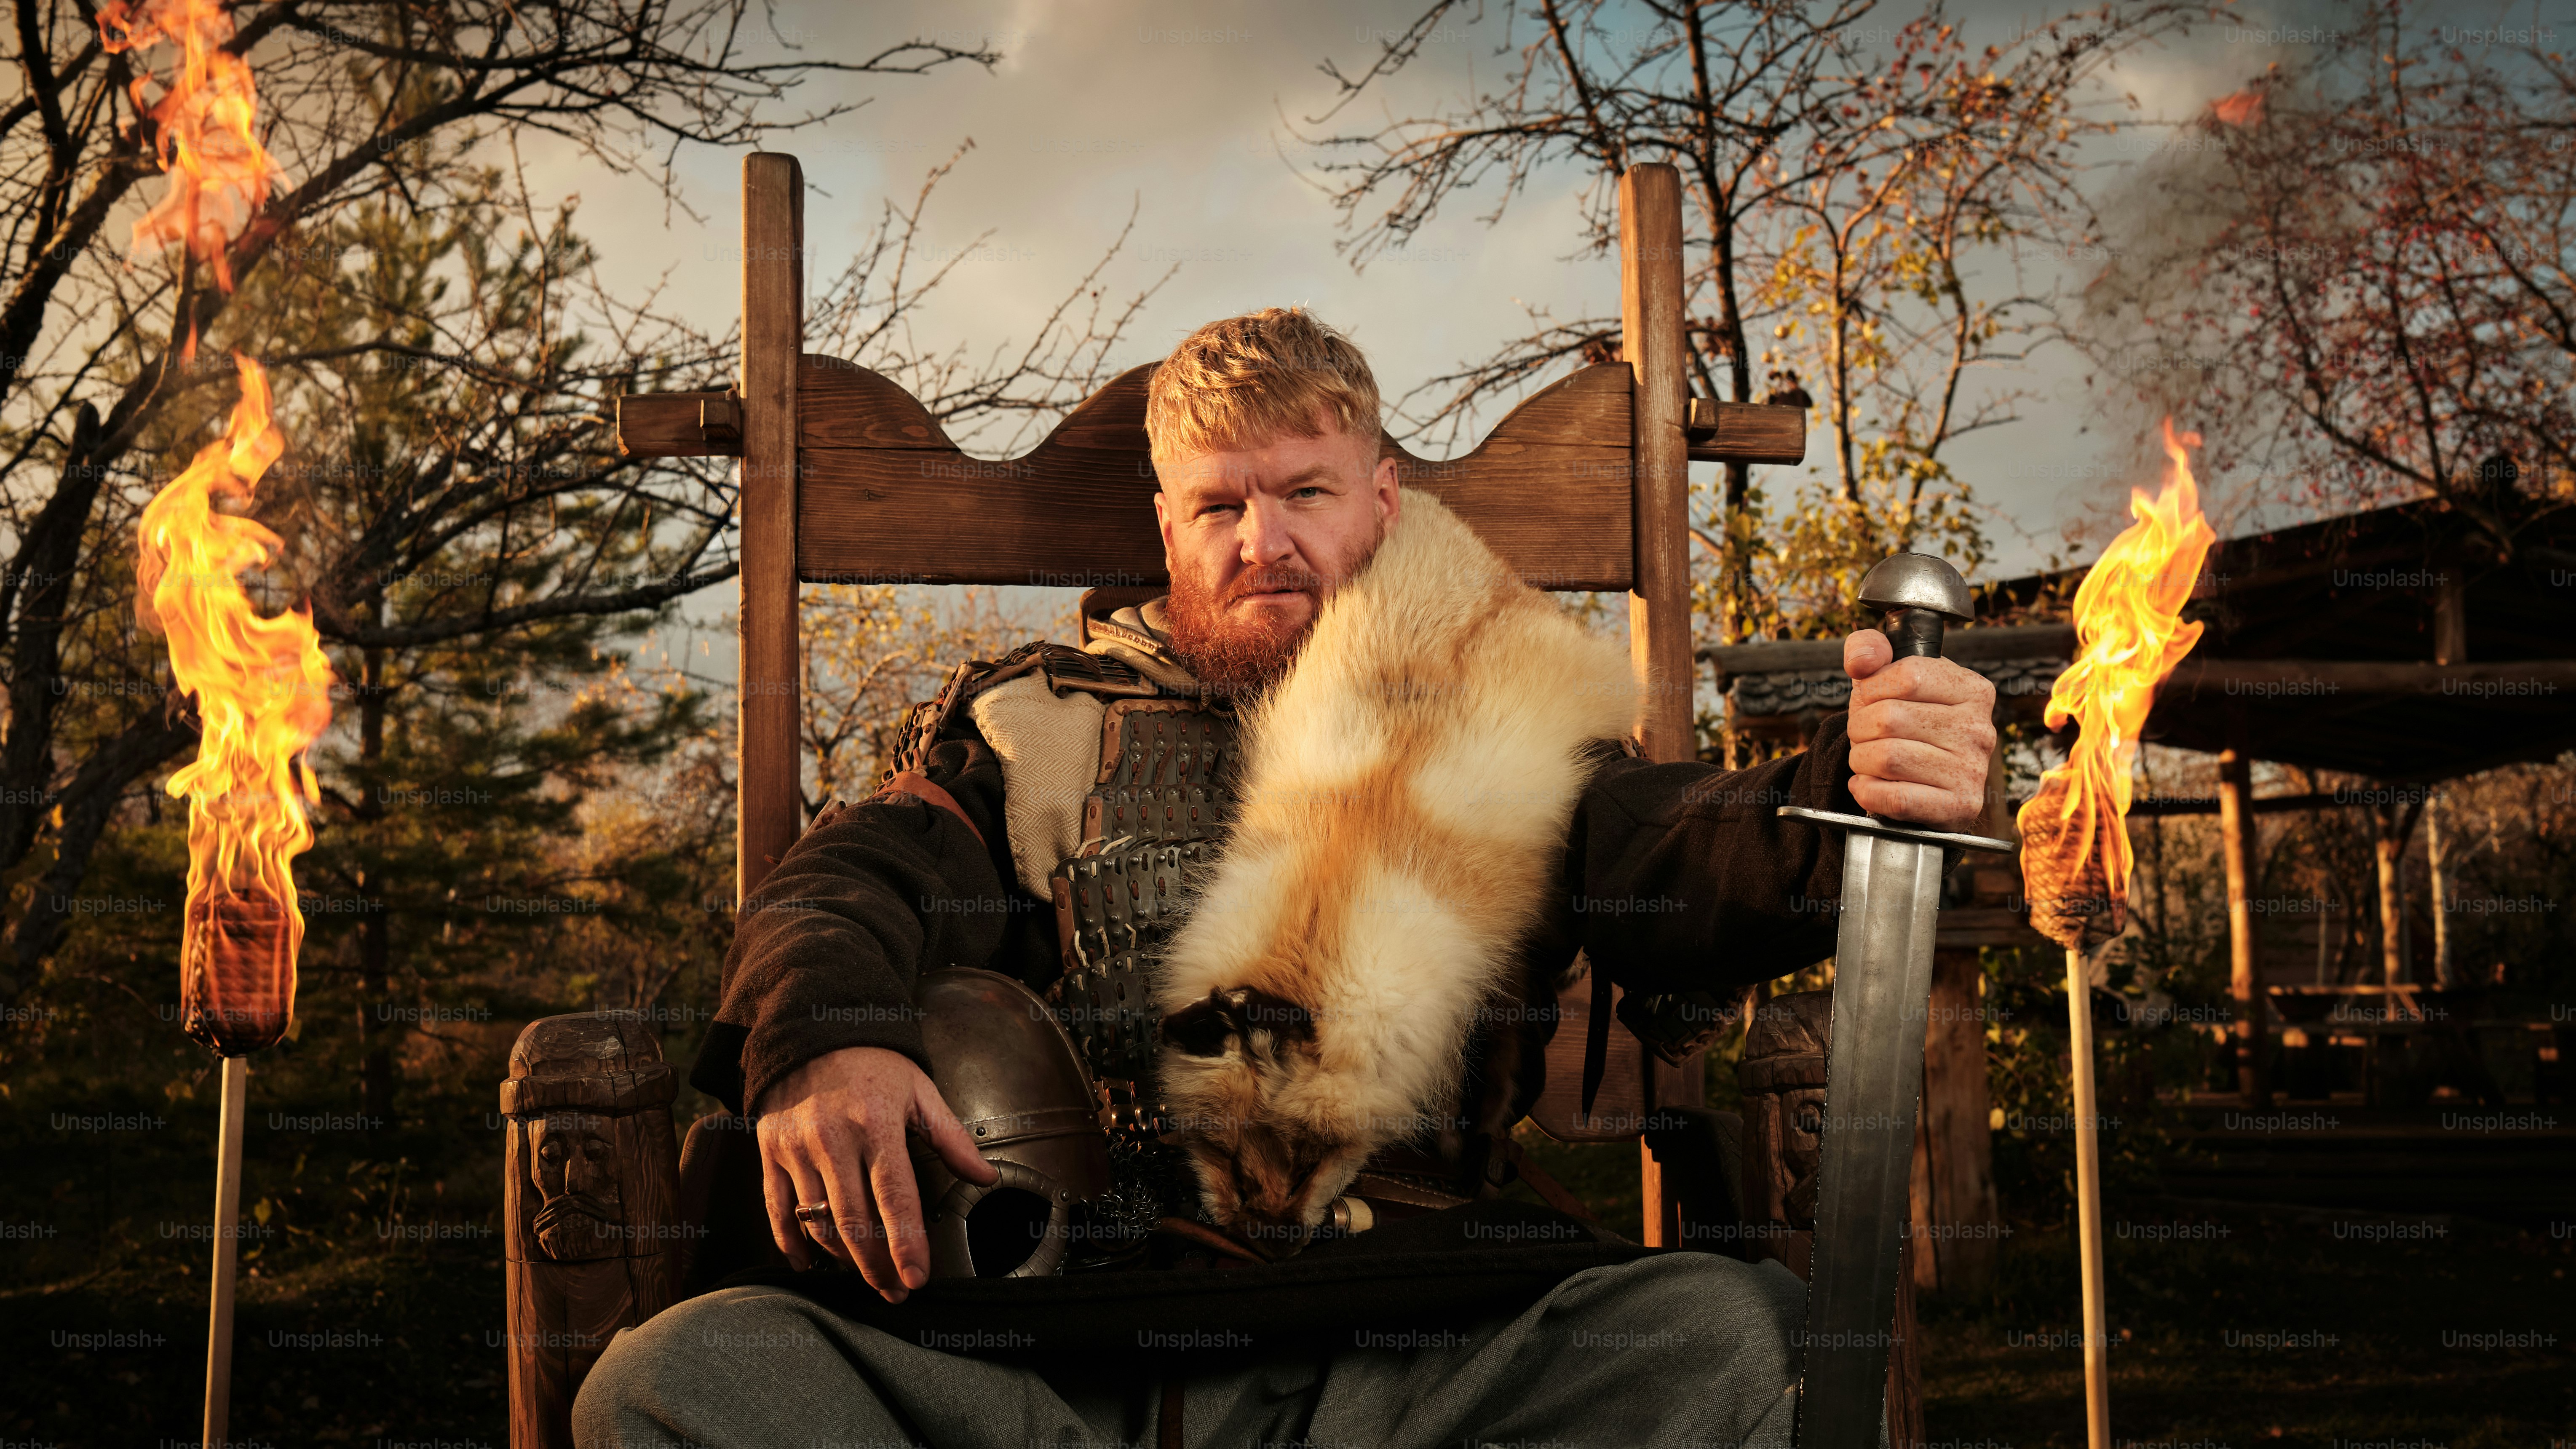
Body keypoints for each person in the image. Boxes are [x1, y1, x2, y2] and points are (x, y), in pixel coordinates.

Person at [575, 307, 1996, 1449]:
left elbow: (1691, 851)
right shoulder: (1037, 731)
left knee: (1730, 1338)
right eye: (1219, 508)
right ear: (1164, 523)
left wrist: (1849, 785)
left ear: (1381, 501)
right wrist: (824, 1049)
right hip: (1071, 1358)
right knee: (682, 1377)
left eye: (1304, 492)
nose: (1264, 544)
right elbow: (838, 894)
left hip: (1421, 1353)